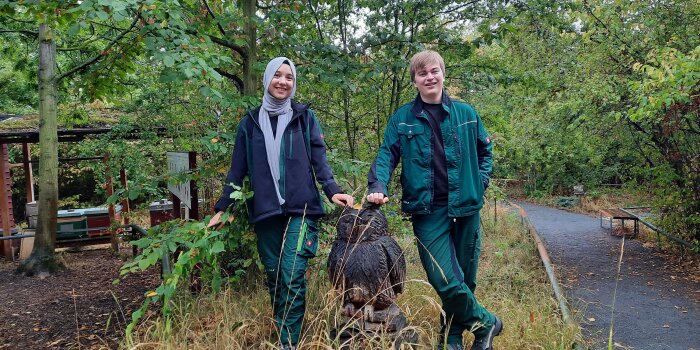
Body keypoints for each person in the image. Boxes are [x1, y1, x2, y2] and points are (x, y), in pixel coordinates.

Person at [208, 57, 354, 350]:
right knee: (275, 276)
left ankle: (289, 342)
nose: (283, 82)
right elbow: (237, 170)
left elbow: (319, 159)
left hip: (301, 208)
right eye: (278, 75)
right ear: (266, 80)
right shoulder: (249, 124)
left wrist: (332, 189)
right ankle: (284, 331)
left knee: (291, 273)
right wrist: (223, 207)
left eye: (289, 77)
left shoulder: (304, 118)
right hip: (265, 211)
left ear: (294, 83)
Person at [366, 50, 501, 350]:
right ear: (414, 80)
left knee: (464, 280)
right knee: (445, 279)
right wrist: (378, 185)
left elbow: (485, 152)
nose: (429, 77)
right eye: (422, 73)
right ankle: (488, 324)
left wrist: (479, 183)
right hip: (428, 212)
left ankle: (451, 340)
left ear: (443, 74)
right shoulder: (403, 118)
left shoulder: (466, 113)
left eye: (434, 71)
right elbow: (387, 153)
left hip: (466, 207)